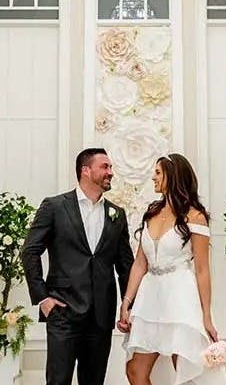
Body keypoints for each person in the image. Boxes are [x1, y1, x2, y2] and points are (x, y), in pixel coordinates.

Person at [20, 148, 134, 385]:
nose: (110, 172)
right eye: (105, 167)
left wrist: (129, 306)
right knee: (58, 381)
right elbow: (30, 251)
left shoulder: (117, 214)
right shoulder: (55, 206)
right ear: (85, 170)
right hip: (63, 311)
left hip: (101, 315)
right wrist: (43, 299)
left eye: (111, 167)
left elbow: (126, 266)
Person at [120, 153, 226, 385]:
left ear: (173, 175)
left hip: (180, 297)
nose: (153, 177)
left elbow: (202, 269)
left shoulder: (195, 216)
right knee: (135, 371)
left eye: (158, 172)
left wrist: (206, 316)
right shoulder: (151, 212)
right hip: (150, 298)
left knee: (187, 371)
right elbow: (140, 263)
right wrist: (126, 302)